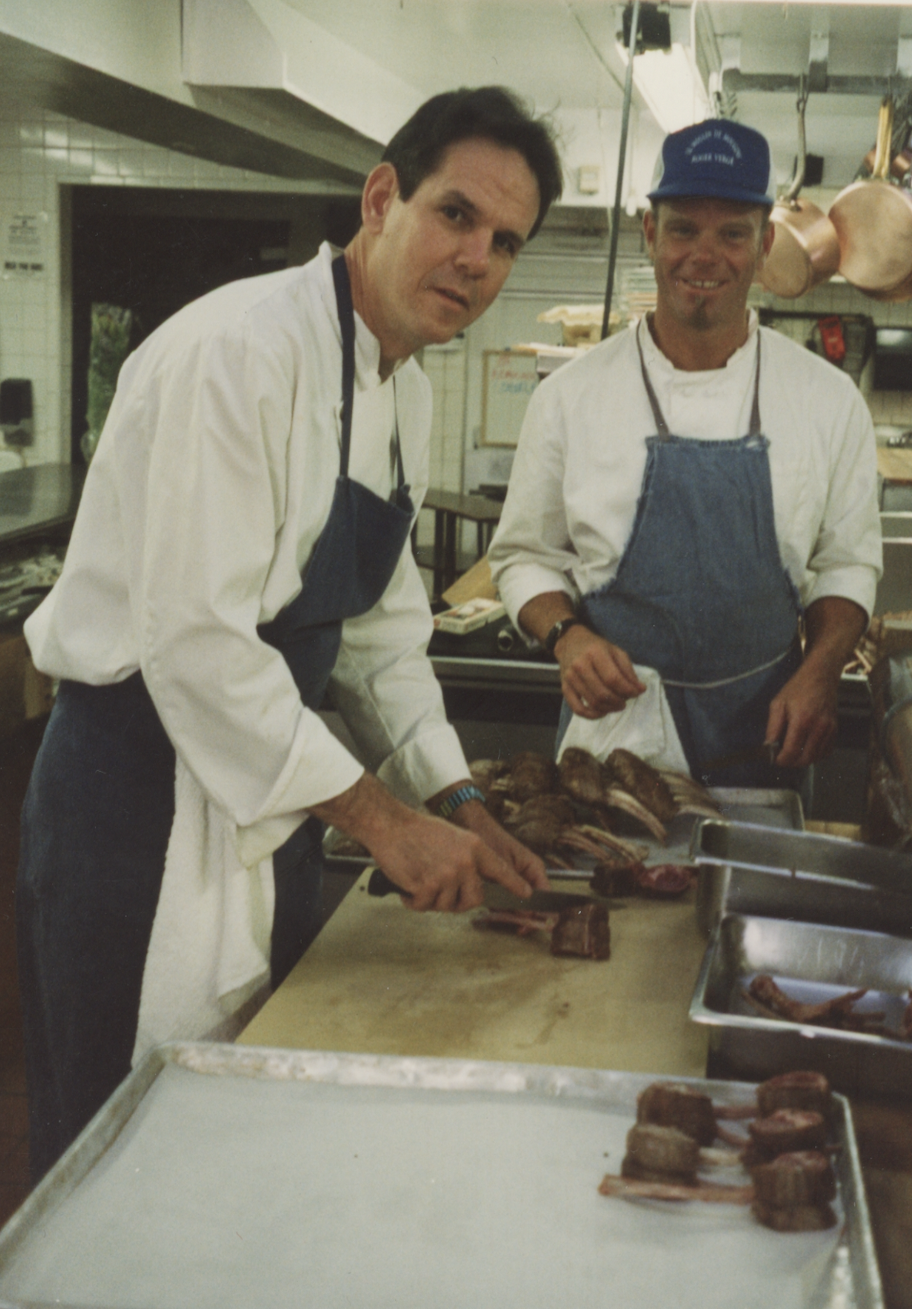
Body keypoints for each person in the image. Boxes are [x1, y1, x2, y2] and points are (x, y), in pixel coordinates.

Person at [18, 86, 564, 1178]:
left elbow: (377, 632)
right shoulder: (241, 354)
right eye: (456, 215)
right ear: (380, 198)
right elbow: (199, 646)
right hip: (136, 800)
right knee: (118, 1133)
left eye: (506, 242)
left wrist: (451, 795)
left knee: (231, 1115)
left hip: (262, 797)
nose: (477, 260)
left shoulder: (398, 382)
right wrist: (380, 820)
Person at [489, 116, 881, 788]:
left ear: (763, 248)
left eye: (733, 233)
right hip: (613, 744)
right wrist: (567, 637)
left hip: (767, 742)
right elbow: (525, 556)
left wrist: (820, 673)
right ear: (649, 235)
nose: (706, 255)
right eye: (682, 230)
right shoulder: (571, 397)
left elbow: (847, 565)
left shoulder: (828, 399)